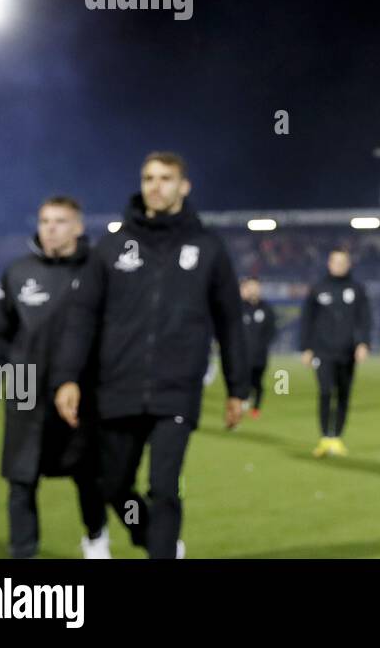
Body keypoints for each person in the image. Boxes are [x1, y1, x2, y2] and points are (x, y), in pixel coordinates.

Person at [54, 152, 249, 559]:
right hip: (118, 388)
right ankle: (154, 540)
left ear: (184, 186)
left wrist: (238, 388)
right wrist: (68, 377)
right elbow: (82, 317)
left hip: (176, 391)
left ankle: (161, 549)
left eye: (165, 178)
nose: (155, 185)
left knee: (164, 487)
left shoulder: (207, 247)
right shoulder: (111, 246)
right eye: (148, 178)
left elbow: (230, 321)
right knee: (113, 485)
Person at [0, 195, 109, 559]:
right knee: (21, 480)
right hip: (24, 393)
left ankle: (96, 539)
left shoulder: (97, 271)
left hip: (81, 394)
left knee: (89, 476)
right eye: (45, 221)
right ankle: (23, 554)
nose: (51, 228)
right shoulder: (17, 273)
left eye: (61, 221)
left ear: (79, 227)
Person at [299, 249, 370, 457]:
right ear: (329, 263)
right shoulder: (318, 289)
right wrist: (306, 347)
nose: (339, 265)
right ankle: (324, 438)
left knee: (343, 394)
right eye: (335, 261)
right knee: (325, 391)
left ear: (349, 264)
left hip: (347, 351)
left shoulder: (356, 289)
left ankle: (337, 437)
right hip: (322, 351)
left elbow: (364, 318)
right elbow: (307, 319)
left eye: (343, 261)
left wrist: (363, 343)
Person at [240, 278, 278, 417]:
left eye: (255, 287)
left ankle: (256, 407)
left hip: (260, 355)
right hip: (242, 354)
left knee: (257, 382)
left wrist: (262, 345)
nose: (253, 290)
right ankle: (243, 400)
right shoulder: (239, 307)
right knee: (242, 378)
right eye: (250, 287)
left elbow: (272, 330)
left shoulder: (266, 308)